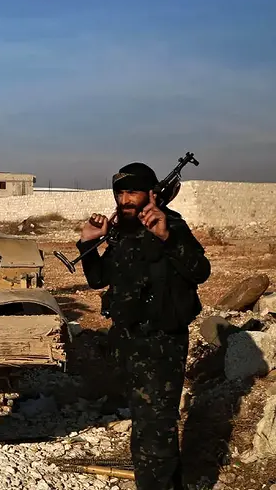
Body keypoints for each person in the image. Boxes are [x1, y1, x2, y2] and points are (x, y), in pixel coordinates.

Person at [77, 162, 211, 490]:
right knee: (146, 428)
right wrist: (88, 244)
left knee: (156, 432)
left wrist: (166, 238)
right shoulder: (121, 232)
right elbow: (98, 279)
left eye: (132, 192)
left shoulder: (172, 226)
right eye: (120, 193)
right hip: (129, 344)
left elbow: (200, 271)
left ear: (152, 194)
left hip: (162, 345)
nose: (125, 200)